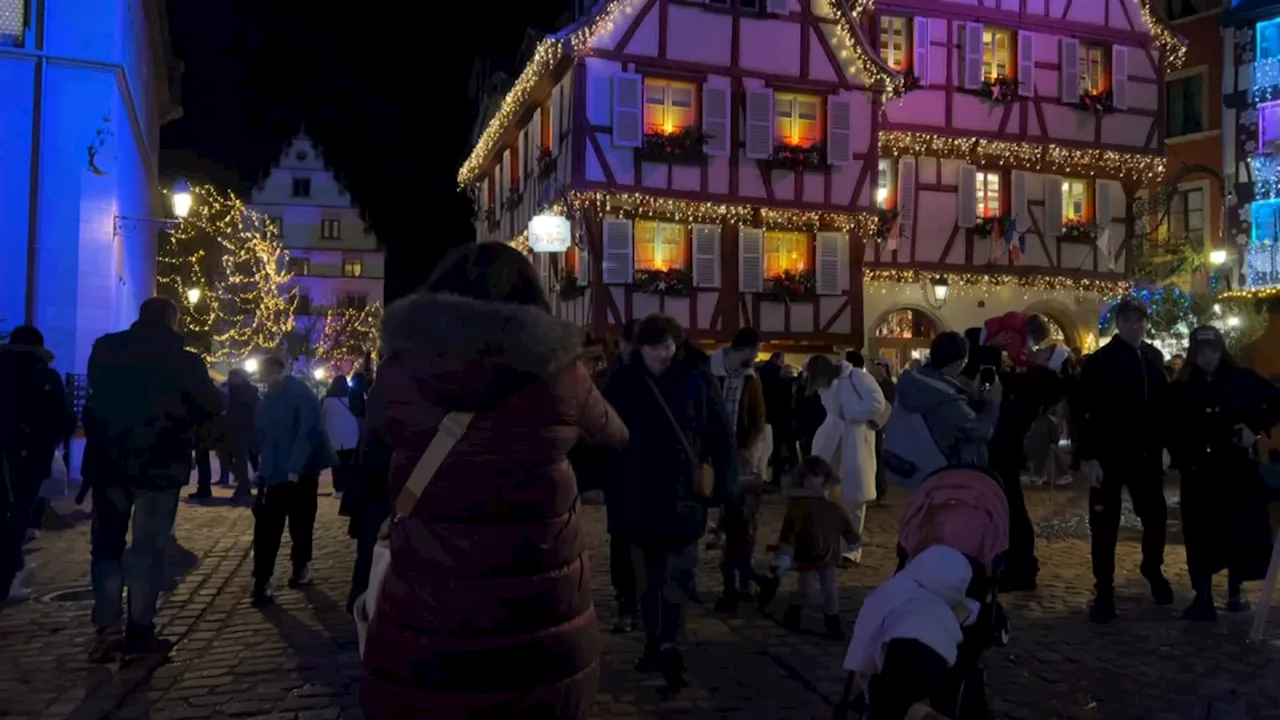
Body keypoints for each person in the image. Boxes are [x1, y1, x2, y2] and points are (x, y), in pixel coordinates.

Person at [360, 243, 628, 720]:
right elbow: (615, 434)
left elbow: (377, 436)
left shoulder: (401, 370)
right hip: (540, 606)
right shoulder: (564, 374)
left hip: (430, 609)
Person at [85, 298, 222, 659]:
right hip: (161, 465)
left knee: (107, 545)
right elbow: (210, 405)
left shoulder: (105, 349)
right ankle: (140, 629)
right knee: (146, 548)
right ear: (172, 321)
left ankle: (107, 627)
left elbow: (96, 393)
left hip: (110, 462)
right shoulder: (185, 360)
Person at [604, 314, 733, 694]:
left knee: (677, 575)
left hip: (683, 496)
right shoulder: (624, 383)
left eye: (670, 345)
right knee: (646, 580)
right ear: (640, 348)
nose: (666, 352)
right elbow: (603, 439)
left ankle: (669, 644)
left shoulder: (695, 378)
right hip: (637, 495)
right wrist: (601, 486)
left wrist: (725, 489)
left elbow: (720, 434)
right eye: (658, 346)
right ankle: (654, 641)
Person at [1166, 326, 1280, 621]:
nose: (1207, 357)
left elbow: (1275, 401)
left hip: (1234, 469)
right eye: (1201, 352)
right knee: (1199, 533)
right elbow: (1167, 425)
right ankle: (1202, 595)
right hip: (1198, 473)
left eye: (1212, 351)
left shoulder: (1240, 379)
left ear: (1221, 350)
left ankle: (1234, 590)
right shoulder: (1182, 386)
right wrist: (1178, 454)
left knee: (1236, 531)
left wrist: (1253, 427)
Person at [1075, 298, 1173, 624]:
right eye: (1130, 320)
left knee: (1155, 516)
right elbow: (1082, 411)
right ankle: (1104, 590)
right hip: (1108, 456)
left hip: (1144, 455)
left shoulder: (1152, 358)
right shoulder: (1100, 361)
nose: (1136, 326)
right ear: (1119, 322)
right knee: (1105, 526)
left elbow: (1163, 406)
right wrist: (1088, 456)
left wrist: (1165, 445)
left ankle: (1152, 567)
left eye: (1140, 321)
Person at [845, 545, 981, 720]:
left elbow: (869, 626)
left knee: (892, 706)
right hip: (929, 655)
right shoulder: (944, 603)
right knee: (898, 704)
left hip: (906, 652)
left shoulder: (897, 589)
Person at [0, 326, 75, 602]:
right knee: (19, 514)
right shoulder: (45, 376)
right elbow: (66, 417)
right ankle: (6, 578)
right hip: (31, 456)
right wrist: (48, 442)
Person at [251, 356, 333, 604]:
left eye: (265, 375)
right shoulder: (273, 396)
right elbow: (264, 436)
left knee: (294, 523)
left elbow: (307, 432)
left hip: (297, 473)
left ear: (275, 371)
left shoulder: (294, 394)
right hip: (280, 472)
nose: (264, 381)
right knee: (275, 526)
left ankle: (293, 568)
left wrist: (293, 469)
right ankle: (268, 577)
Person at [765, 456, 862, 640]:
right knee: (805, 589)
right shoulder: (798, 506)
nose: (815, 481)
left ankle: (832, 622)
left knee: (830, 590)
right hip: (806, 554)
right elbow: (789, 531)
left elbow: (844, 525)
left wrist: (854, 540)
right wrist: (785, 553)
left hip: (829, 555)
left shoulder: (831, 507)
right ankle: (793, 613)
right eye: (812, 477)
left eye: (819, 477)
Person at [811, 351, 888, 566]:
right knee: (825, 492)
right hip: (832, 439)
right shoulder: (828, 385)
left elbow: (877, 404)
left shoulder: (858, 377)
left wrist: (851, 413)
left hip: (855, 439)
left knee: (854, 495)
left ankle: (851, 550)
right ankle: (830, 544)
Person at [895, 332, 1000, 467]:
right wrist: (993, 402)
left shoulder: (910, 381)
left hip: (911, 465)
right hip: (946, 472)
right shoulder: (947, 399)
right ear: (958, 363)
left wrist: (962, 389)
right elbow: (982, 432)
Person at [758, 351, 798, 488]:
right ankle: (787, 480)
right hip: (782, 419)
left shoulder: (767, 376)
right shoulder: (784, 383)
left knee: (774, 450)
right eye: (781, 363)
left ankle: (777, 480)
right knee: (782, 450)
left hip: (774, 418)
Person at [221, 368, 259, 502]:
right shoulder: (246, 391)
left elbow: (236, 410)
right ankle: (246, 484)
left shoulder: (239, 391)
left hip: (240, 428)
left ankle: (244, 485)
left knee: (236, 458)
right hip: (243, 428)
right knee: (241, 458)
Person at [321, 375, 360, 502]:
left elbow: (322, 418)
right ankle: (350, 487)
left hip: (334, 436)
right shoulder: (352, 399)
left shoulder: (326, 401)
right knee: (349, 463)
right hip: (351, 435)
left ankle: (338, 489)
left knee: (336, 464)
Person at [869, 360, 896, 506]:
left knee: (879, 457)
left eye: (880, 369)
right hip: (872, 425)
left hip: (882, 425)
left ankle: (881, 490)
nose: (878, 371)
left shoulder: (888, 386)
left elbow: (889, 405)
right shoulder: (872, 384)